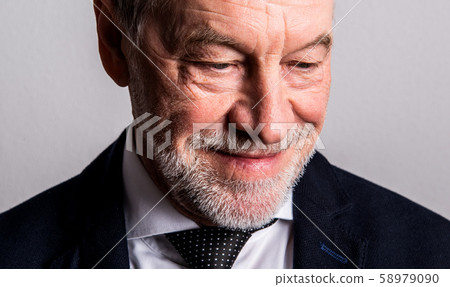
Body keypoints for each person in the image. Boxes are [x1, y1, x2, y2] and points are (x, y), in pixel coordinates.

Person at [0, 0, 449, 269]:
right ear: (114, 41)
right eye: (217, 64)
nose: (269, 127)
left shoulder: (432, 256)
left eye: (304, 64)